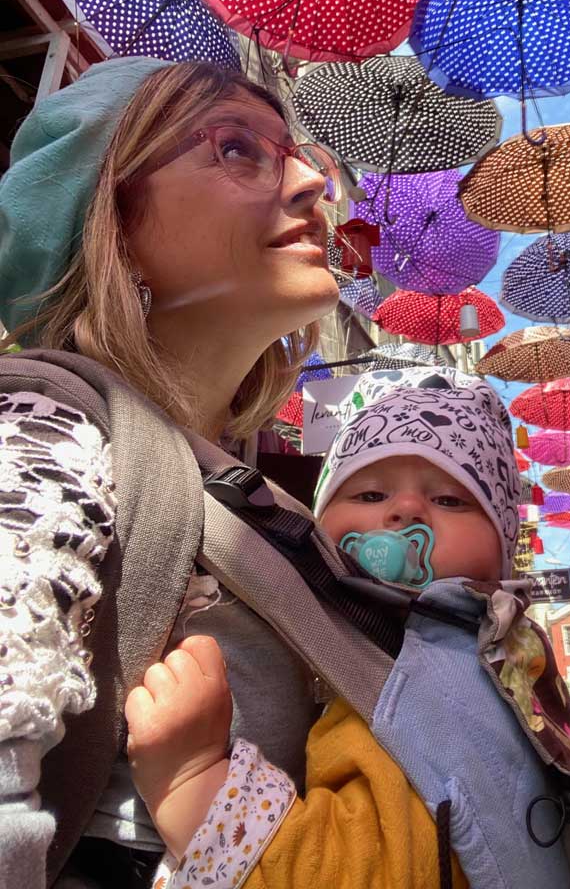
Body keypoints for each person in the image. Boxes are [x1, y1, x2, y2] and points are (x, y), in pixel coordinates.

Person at [0, 57, 378, 889]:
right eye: (240, 148)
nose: (316, 182)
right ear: (114, 220)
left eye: (302, 152)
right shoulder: (45, 431)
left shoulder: (254, 498)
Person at [125, 370, 570, 889]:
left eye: (450, 500)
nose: (405, 509)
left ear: (501, 548)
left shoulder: (422, 690)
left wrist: (192, 779)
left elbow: (365, 871)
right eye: (371, 493)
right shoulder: (476, 656)